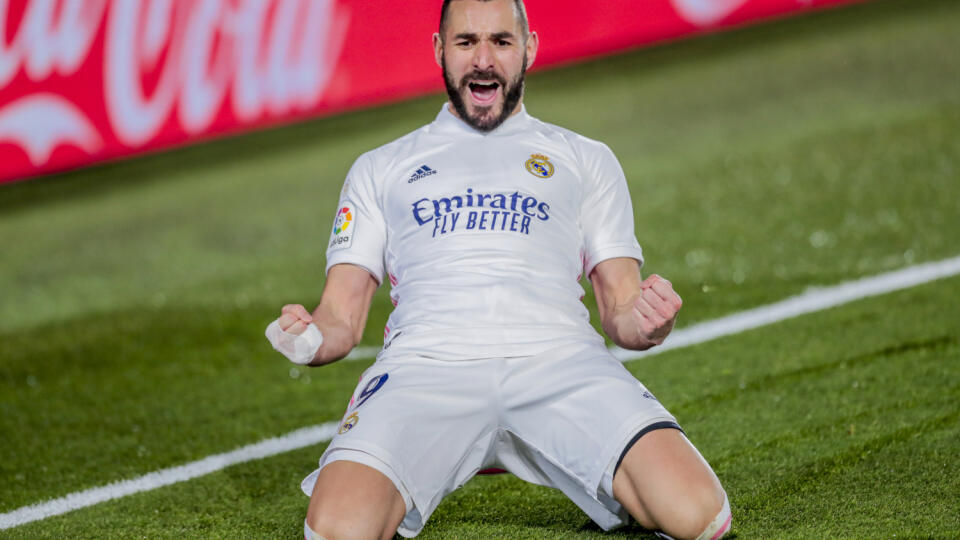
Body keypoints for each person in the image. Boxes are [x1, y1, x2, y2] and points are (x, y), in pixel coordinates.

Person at [265, 1, 731, 538]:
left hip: (559, 361)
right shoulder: (380, 167)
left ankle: (609, 468)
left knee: (702, 518)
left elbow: (620, 310)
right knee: (336, 531)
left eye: (501, 43)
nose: (483, 60)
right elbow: (340, 319)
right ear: (440, 50)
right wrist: (309, 340)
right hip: (426, 369)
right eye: (465, 43)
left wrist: (648, 321)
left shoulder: (585, 158)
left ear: (529, 47)